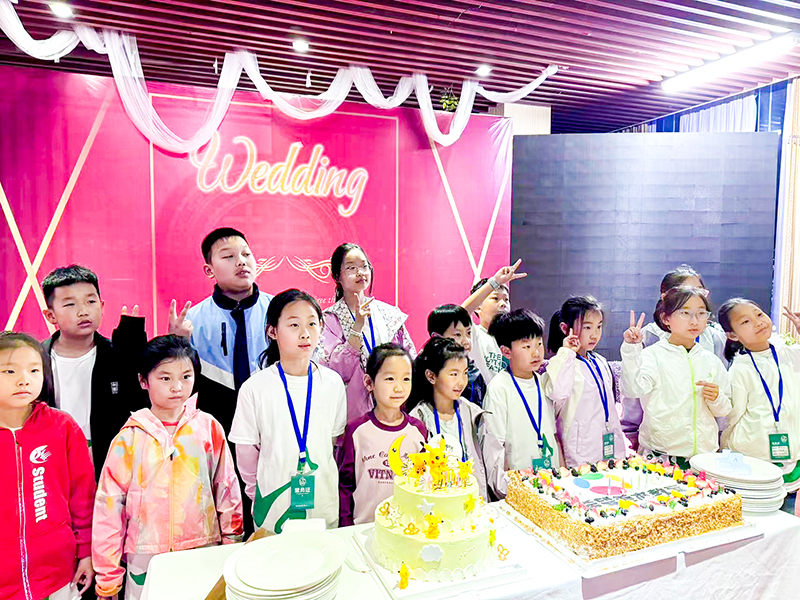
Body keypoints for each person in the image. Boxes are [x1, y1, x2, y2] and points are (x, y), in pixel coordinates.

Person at [92, 335, 243, 600]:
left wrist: (231, 545)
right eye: (165, 378)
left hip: (203, 551)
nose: (177, 387)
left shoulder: (209, 428)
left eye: (186, 377)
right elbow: (109, 506)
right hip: (145, 556)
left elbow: (227, 490)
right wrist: (108, 575)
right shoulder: (129, 437)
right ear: (143, 381)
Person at [230, 290, 347, 534]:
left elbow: (333, 444)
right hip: (272, 505)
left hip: (322, 504)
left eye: (312, 324)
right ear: (272, 331)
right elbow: (246, 455)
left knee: (320, 556)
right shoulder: (255, 388)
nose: (305, 333)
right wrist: (258, 493)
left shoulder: (333, 383)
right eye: (294, 325)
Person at [0, 332, 95, 600]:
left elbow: (82, 496)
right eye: (9, 371)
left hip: (58, 571)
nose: (24, 380)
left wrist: (86, 551)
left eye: (33, 370)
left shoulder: (62, 427)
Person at [41, 264, 148, 479]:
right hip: (50, 464)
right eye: (70, 304)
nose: (83, 311)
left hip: (110, 468)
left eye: (91, 301)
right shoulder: (36, 359)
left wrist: (133, 352)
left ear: (102, 305)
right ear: (51, 315)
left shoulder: (116, 355)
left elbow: (143, 405)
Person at [168, 227, 273, 433]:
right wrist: (176, 342)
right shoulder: (192, 321)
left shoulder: (279, 311)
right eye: (228, 256)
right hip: (215, 426)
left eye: (246, 254)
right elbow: (177, 383)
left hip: (272, 418)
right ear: (209, 270)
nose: (241, 261)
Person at [620, 287, 731, 468]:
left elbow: (724, 409)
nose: (694, 321)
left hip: (703, 458)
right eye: (685, 313)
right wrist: (631, 349)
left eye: (701, 313)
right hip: (661, 457)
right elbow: (633, 390)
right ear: (666, 318)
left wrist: (716, 398)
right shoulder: (653, 355)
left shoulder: (711, 360)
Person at [319, 243, 415, 422]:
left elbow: (409, 360)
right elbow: (336, 372)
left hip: (393, 406)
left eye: (364, 266)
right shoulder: (329, 319)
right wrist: (357, 328)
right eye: (351, 268)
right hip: (351, 414)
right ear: (337, 276)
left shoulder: (389, 314)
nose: (360, 272)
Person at [337, 344, 427, 526]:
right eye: (390, 379)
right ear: (369, 382)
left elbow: (422, 483)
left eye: (406, 379)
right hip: (363, 528)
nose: (399, 388)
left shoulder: (418, 430)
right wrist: (345, 527)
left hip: (405, 528)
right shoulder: (356, 430)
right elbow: (345, 486)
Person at [719, 299, 800, 496]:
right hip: (753, 456)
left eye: (759, 314)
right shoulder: (740, 368)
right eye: (745, 322)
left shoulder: (789, 355)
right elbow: (732, 416)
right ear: (732, 335)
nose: (758, 322)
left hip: (792, 455)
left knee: (787, 513)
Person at [483, 309, 560, 498]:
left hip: (550, 486)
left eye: (539, 343)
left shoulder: (543, 382)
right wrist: (507, 491)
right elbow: (494, 447)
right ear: (506, 351)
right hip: (517, 489)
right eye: (526, 346)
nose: (536, 352)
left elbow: (553, 434)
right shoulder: (499, 388)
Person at [545, 296, 626, 467]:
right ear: (565, 328)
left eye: (599, 326)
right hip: (580, 452)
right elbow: (556, 393)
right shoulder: (562, 362)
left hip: (609, 445)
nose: (594, 334)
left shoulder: (600, 361)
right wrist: (567, 353)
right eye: (587, 327)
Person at [407, 337, 490, 500]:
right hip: (435, 503)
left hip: (470, 500)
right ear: (431, 376)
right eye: (454, 374)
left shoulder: (473, 413)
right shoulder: (417, 418)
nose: (461, 382)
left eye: (465, 373)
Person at [642, 265, 727, 363]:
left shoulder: (716, 336)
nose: (694, 297)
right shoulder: (650, 335)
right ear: (665, 298)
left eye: (699, 291)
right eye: (686, 292)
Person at [460, 260, 527, 384]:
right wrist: (494, 282)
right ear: (478, 307)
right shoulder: (474, 334)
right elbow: (460, 313)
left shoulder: (514, 341)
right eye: (496, 298)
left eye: (506, 300)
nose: (503, 304)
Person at [427, 304, 486, 407]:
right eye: (457, 335)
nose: (466, 341)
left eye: (468, 333)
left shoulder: (474, 373)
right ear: (437, 337)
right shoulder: (425, 370)